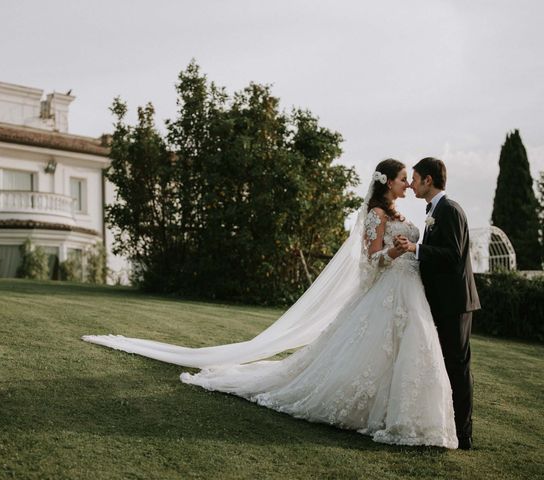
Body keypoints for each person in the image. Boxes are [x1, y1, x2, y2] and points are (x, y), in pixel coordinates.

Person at [83, 159, 458, 449]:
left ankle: (408, 415)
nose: (408, 183)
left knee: (408, 350)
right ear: (387, 181)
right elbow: (371, 260)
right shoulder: (375, 216)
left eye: (411, 178)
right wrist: (393, 252)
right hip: (387, 290)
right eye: (403, 178)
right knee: (374, 350)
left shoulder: (405, 216)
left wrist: (409, 253)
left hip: (411, 292)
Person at [394, 157, 480, 450]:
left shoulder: (450, 210)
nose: (412, 185)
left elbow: (453, 255)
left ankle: (464, 434)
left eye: (415, 179)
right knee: (444, 364)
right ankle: (447, 427)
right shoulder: (435, 211)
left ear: (428, 180)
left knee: (457, 366)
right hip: (441, 301)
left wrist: (416, 248)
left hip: (455, 303)